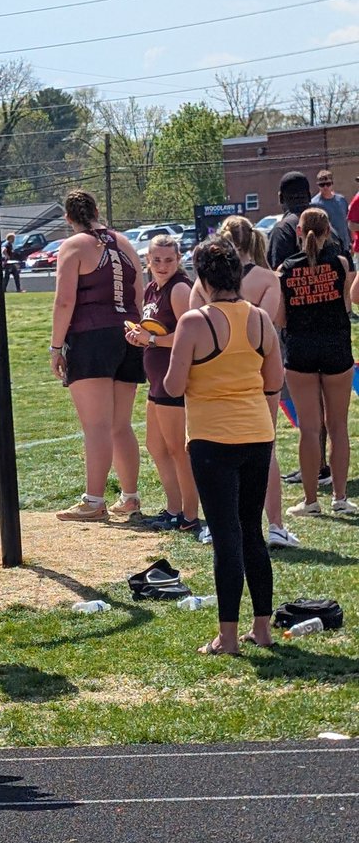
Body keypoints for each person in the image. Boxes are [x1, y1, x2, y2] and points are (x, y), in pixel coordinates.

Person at [164, 239, 283, 655]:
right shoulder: (262, 320)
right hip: (257, 433)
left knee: (226, 536)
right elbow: (274, 380)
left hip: (212, 438)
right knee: (252, 532)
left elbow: (173, 386)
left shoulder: (195, 322)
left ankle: (228, 638)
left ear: (203, 278)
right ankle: (262, 629)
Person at [191, 215, 296, 549]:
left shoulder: (203, 283)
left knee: (212, 447)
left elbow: (192, 323)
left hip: (213, 374)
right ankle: (275, 524)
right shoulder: (269, 277)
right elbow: (265, 326)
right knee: (267, 448)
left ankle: (217, 523)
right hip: (258, 372)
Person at [50, 190, 144, 521]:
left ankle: (94, 500)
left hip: (91, 336)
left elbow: (64, 300)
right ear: (97, 210)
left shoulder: (73, 246)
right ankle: (130, 498)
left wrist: (56, 346)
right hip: (128, 333)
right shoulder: (125, 242)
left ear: (68, 219)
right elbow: (139, 292)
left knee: (97, 426)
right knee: (121, 425)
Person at [277, 208, 356, 517]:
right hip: (336, 347)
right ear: (328, 232)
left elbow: (280, 318)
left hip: (300, 352)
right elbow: (347, 306)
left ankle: (310, 501)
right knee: (338, 427)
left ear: (299, 231)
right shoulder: (340, 264)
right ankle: (340, 497)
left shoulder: (284, 269)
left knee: (309, 430)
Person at [124, 235, 199, 532]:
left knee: (177, 449)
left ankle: (189, 515)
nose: (162, 265)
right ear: (147, 260)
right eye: (156, 260)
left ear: (178, 260)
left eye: (169, 260)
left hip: (173, 379)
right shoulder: (152, 289)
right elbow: (153, 330)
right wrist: (138, 336)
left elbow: (187, 337)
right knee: (156, 446)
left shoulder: (179, 288)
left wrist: (151, 339)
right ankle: (173, 508)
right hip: (156, 380)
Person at [268, 173, 333, 490]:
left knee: (306, 403)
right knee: (324, 402)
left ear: (281, 196)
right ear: (308, 193)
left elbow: (278, 279)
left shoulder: (283, 229)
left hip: (297, 327)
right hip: (331, 324)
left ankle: (318, 466)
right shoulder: (325, 220)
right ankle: (323, 465)